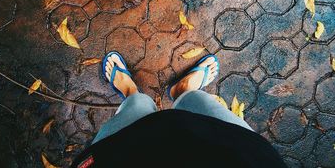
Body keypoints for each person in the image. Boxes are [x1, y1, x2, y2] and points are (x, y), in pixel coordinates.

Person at [72, 51, 286, 168]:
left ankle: (131, 93)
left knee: (133, 116)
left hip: (122, 156)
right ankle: (183, 92)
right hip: (235, 156)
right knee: (204, 109)